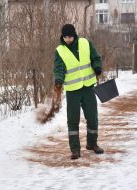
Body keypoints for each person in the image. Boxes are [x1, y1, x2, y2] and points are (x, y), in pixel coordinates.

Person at [53, 24, 104, 160]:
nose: (67, 39)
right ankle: (75, 149)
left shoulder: (85, 43)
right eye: (65, 37)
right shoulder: (60, 50)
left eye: (69, 36)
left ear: (74, 35)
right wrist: (58, 80)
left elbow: (95, 58)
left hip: (88, 87)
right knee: (73, 120)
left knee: (92, 117)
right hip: (72, 91)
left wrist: (97, 67)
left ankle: (92, 144)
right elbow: (59, 68)